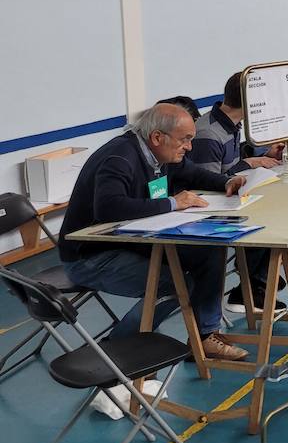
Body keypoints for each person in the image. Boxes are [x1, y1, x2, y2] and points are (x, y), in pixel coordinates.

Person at [57, 104, 249, 361]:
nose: (189, 147)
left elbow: (191, 173)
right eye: (185, 140)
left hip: (131, 240)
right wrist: (172, 203)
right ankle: (115, 352)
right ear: (157, 137)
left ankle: (204, 338)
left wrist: (226, 181)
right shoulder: (120, 158)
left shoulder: (160, 154)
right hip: (92, 254)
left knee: (210, 250)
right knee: (175, 286)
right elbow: (108, 208)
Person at [189, 73, 287, 314]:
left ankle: (260, 278)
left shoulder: (231, 124)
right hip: (206, 208)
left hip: (231, 193)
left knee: (277, 210)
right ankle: (250, 288)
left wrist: (255, 156)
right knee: (265, 222)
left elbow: (228, 164)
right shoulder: (208, 135)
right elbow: (209, 182)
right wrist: (250, 164)